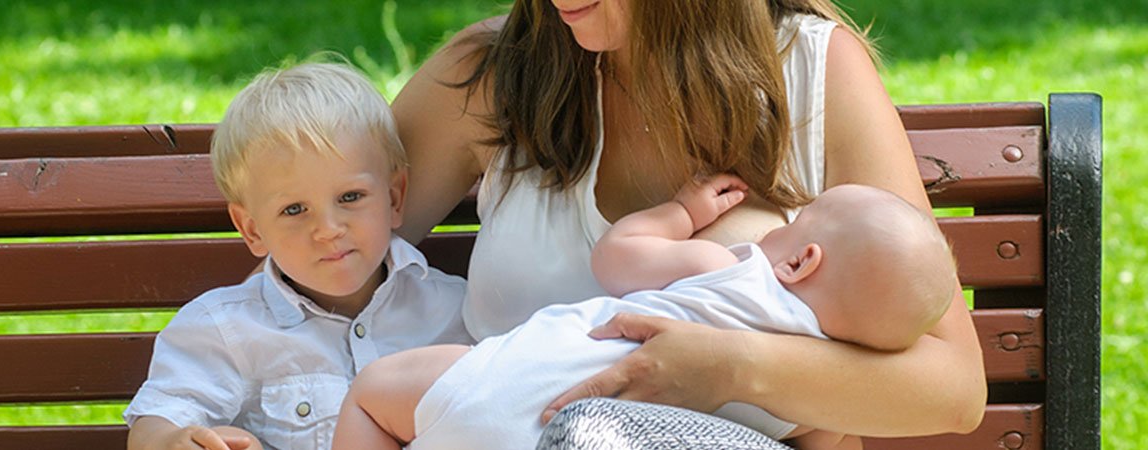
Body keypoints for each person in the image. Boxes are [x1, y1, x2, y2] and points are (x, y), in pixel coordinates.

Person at [389, 0, 986, 440]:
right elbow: (315, 257)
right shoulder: (497, 76)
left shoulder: (813, 69)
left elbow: (953, 390)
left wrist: (727, 367)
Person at [331, 178, 959, 450]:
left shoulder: (734, 272)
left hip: (500, 389)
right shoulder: (810, 398)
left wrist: (683, 213)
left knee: (369, 395)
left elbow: (618, 257)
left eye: (796, 224)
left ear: (801, 261)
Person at [123, 62, 474, 450]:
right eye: (294, 210)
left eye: (350, 197)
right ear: (252, 229)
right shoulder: (224, 330)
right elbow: (157, 423)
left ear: (394, 198)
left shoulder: (458, 313)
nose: (328, 229)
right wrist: (175, 441)